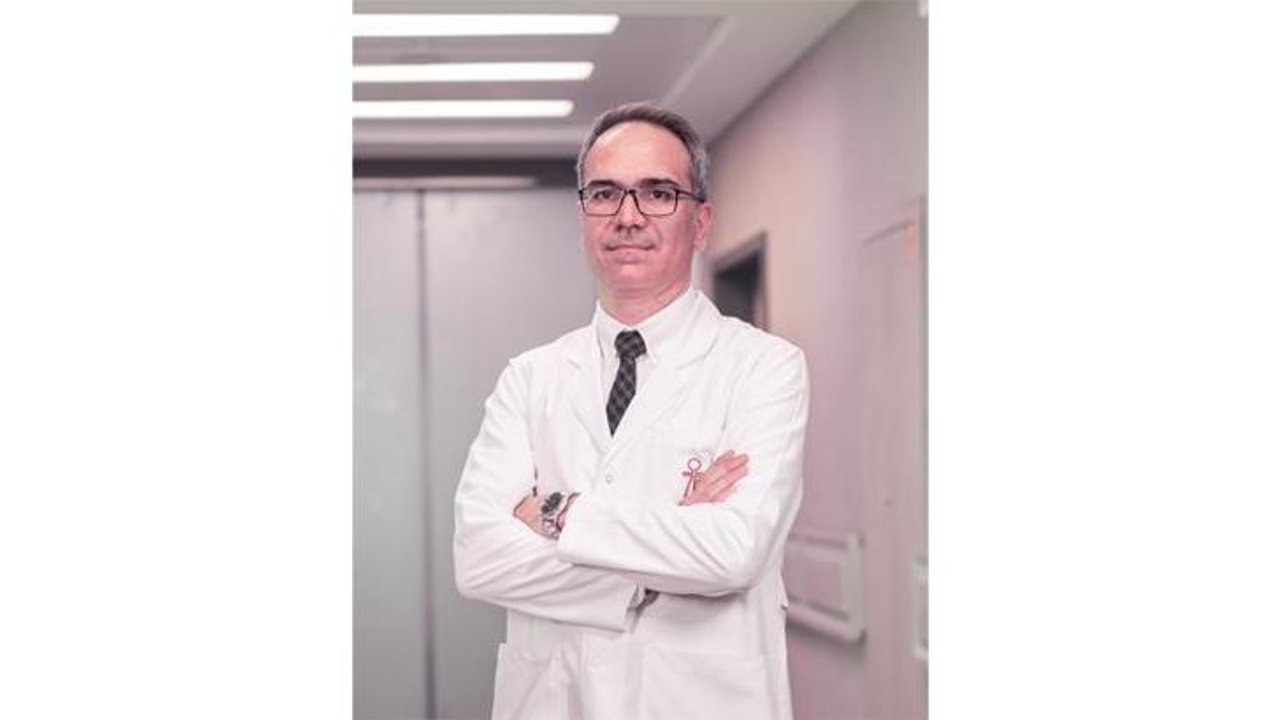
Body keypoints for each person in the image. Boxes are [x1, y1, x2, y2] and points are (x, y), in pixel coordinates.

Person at [453, 101, 810, 720]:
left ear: (700, 222)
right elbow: (480, 559)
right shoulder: (530, 377)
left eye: (658, 193)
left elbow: (731, 551)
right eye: (605, 194)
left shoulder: (766, 367)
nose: (628, 215)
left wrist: (558, 513)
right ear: (583, 217)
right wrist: (652, 567)